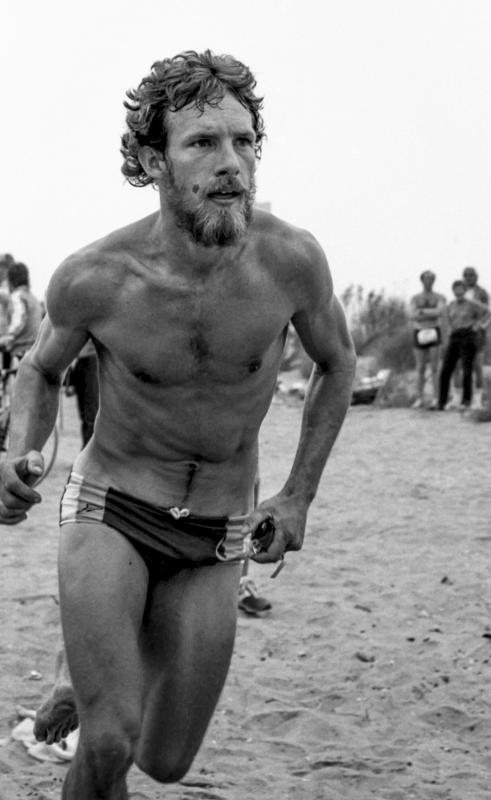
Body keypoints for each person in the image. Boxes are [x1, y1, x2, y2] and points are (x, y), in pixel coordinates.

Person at [0, 50, 356, 798]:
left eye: (244, 140)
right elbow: (39, 369)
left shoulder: (291, 262)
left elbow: (337, 363)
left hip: (218, 530)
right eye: (202, 142)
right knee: (109, 740)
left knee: (165, 761)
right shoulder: (97, 276)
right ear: (151, 159)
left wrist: (297, 496)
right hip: (113, 507)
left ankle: (90, 664)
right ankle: (95, 670)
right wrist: (17, 453)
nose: (231, 163)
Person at [438, 279, 489, 410]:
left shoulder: (472, 303)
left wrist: (480, 326)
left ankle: (466, 401)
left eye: (460, 289)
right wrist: (449, 330)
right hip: (455, 335)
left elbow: (488, 313)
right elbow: (448, 319)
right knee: (446, 369)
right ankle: (441, 402)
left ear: (465, 290)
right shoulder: (451, 305)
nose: (458, 291)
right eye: (455, 289)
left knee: (467, 369)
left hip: (468, 335)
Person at [409, 269, 446, 409]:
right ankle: (419, 398)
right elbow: (412, 315)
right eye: (426, 278)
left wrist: (422, 311)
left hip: (434, 331)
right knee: (420, 367)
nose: (429, 281)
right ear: (422, 280)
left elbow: (440, 312)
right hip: (419, 331)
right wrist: (430, 313)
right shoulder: (415, 298)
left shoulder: (439, 297)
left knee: (435, 367)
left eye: (431, 278)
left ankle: (436, 398)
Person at [0, 261, 43, 358]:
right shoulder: (33, 299)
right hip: (34, 349)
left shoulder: (17, 296)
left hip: (20, 350)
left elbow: (19, 320)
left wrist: (8, 336)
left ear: (10, 281)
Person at [462, 266, 489, 408]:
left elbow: (487, 311)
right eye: (466, 275)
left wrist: (481, 325)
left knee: (478, 365)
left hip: (477, 332)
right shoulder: (460, 291)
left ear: (476, 276)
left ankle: (478, 398)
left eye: (471, 275)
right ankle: (464, 398)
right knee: (463, 366)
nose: (468, 277)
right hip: (462, 331)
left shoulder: (482, 292)